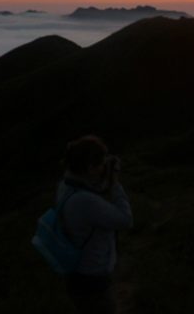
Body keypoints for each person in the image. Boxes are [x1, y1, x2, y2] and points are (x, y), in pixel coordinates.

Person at [57, 135, 133, 314]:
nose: (103, 168)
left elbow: (92, 193)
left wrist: (102, 179)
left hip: (77, 277)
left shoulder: (65, 186)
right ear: (90, 168)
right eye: (99, 165)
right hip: (93, 283)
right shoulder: (85, 201)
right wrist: (114, 184)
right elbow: (125, 219)